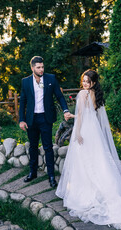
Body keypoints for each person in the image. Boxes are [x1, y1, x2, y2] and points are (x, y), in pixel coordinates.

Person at [56, 69, 121, 230]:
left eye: (88, 81)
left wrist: (78, 132)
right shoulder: (96, 95)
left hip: (85, 131)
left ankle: (86, 194)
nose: (85, 83)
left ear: (93, 83)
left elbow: (81, 114)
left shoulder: (82, 94)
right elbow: (89, 114)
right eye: (84, 80)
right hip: (94, 131)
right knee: (97, 161)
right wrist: (74, 117)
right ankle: (107, 191)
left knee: (84, 161)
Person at [19, 56, 73, 188]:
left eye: (42, 67)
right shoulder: (25, 82)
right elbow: (23, 102)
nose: (41, 69)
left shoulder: (51, 78)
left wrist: (65, 110)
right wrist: (21, 120)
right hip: (31, 119)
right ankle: (33, 172)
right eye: (38, 67)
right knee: (33, 146)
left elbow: (59, 96)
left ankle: (51, 176)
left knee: (48, 147)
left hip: (45, 118)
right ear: (32, 68)